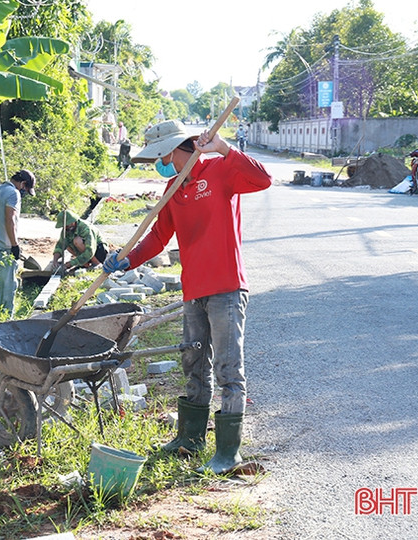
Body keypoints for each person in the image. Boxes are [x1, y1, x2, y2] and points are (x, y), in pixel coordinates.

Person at [102, 119, 271, 475]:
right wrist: (126, 258)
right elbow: (158, 237)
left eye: (161, 156)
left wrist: (225, 148)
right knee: (194, 364)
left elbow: (262, 179)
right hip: (194, 290)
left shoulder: (221, 170)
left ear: (177, 150)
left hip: (226, 288)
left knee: (229, 369)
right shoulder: (172, 189)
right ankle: (191, 438)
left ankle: (228, 452)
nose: (159, 163)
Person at [0, 169, 36, 317]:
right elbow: (10, 219)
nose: (24, 192)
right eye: (26, 189)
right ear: (23, 184)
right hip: (4, 248)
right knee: (8, 287)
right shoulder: (13, 194)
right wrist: (14, 245)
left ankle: (0, 316)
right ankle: (6, 321)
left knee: (0, 286)